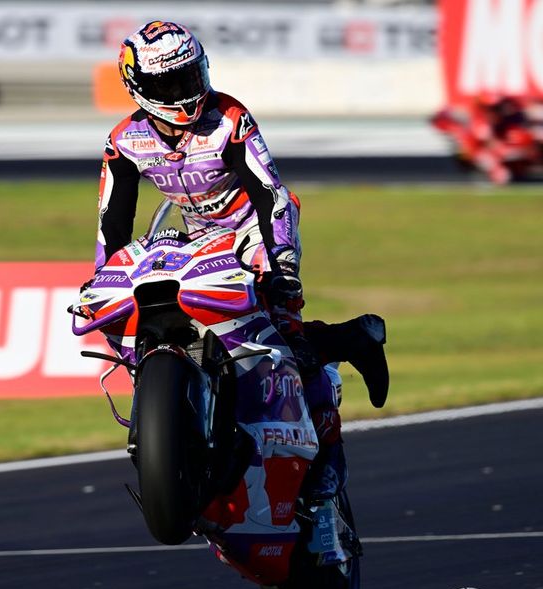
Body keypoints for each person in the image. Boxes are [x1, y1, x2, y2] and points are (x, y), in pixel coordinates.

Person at [88, 20, 388, 499]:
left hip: (256, 230)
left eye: (190, 77)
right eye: (169, 84)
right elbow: (111, 221)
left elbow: (269, 194)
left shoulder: (230, 118)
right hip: (198, 238)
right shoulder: (123, 141)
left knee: (283, 340)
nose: (185, 93)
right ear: (139, 88)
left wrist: (282, 268)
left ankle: (332, 439)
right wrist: (103, 280)